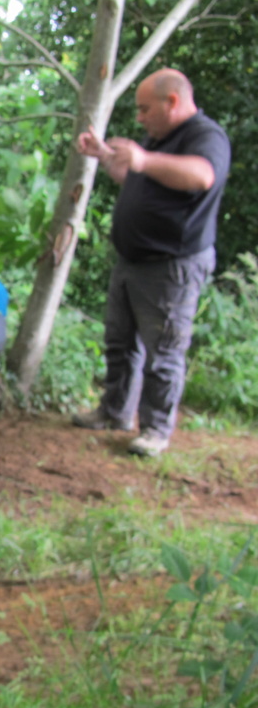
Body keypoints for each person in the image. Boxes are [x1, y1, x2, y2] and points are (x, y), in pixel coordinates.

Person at [72, 68, 231, 457]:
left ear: (172, 101)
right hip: (133, 260)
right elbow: (137, 177)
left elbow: (201, 176)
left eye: (145, 109)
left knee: (163, 352)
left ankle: (156, 430)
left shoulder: (204, 136)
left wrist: (143, 159)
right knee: (120, 342)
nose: (139, 118)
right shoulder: (160, 139)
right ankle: (115, 412)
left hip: (171, 265)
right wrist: (105, 155)